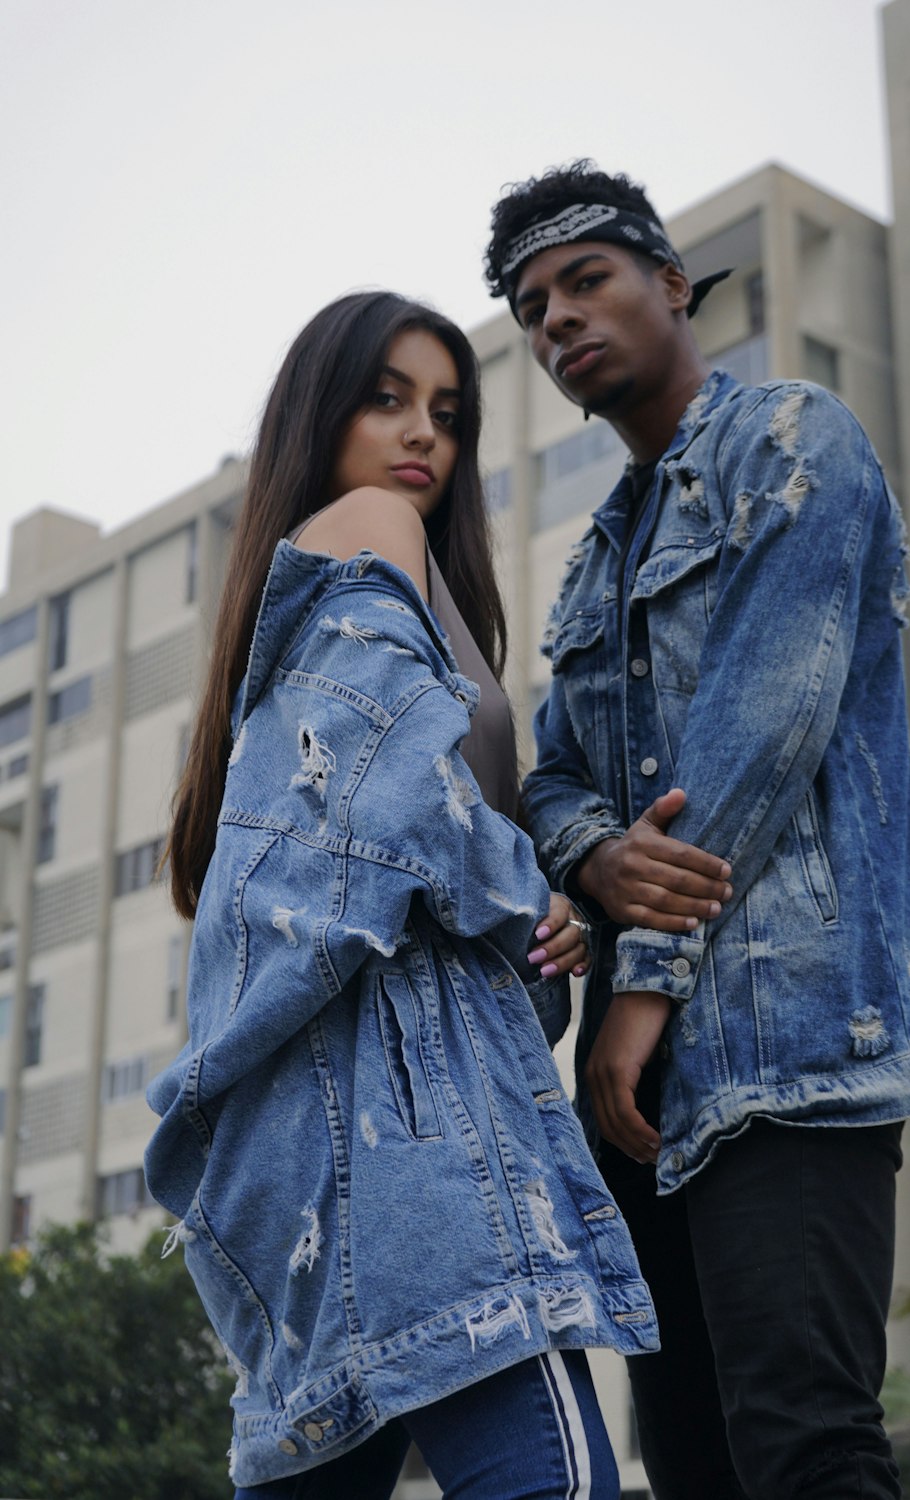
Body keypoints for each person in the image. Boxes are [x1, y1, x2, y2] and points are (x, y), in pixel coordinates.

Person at [483, 161, 910, 1500]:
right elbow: (553, 782)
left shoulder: (796, 442)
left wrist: (640, 985)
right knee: (694, 1464)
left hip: (793, 1042)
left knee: (805, 1445)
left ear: (672, 285)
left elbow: (756, 740)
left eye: (586, 282)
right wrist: (591, 855)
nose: (559, 322)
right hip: (632, 1100)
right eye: (534, 309)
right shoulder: (593, 560)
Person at [144, 290, 670, 1499]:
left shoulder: (322, 597)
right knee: (560, 1480)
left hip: (327, 1144)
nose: (421, 434)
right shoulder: (372, 523)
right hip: (414, 1117)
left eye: (444, 411)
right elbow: (389, 787)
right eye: (385, 399)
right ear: (318, 419)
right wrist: (520, 896)